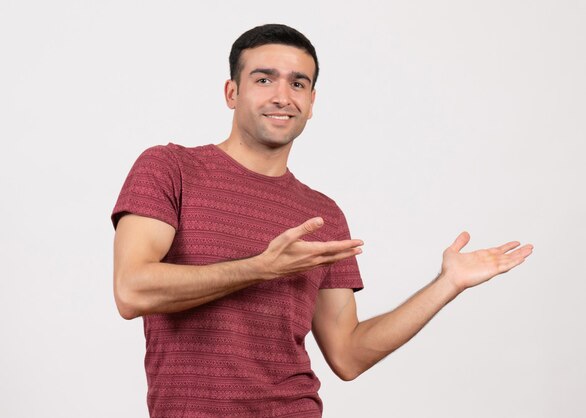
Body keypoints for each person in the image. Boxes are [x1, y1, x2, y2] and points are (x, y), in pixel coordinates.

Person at [111, 24, 533, 418]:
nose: (282, 96)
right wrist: (260, 268)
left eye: (298, 83)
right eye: (264, 79)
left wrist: (448, 284)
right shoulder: (170, 168)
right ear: (231, 92)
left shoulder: (323, 214)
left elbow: (348, 355)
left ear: (311, 103)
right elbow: (132, 291)